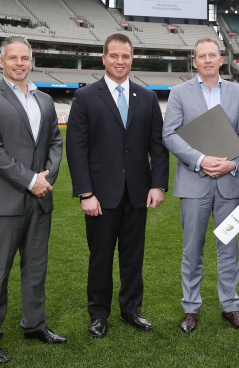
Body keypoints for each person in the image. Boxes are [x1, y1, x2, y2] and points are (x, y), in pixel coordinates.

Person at [66, 33, 169, 338]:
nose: (120, 61)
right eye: (114, 56)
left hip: (138, 192)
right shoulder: (85, 97)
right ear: (104, 58)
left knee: (133, 257)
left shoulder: (147, 97)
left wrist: (158, 185)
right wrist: (86, 192)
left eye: (125, 56)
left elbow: (157, 147)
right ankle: (98, 314)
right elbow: (76, 148)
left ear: (132, 58)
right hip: (99, 194)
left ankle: (131, 309)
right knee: (100, 258)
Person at [0, 35, 65, 364]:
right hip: (4, 199)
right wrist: (30, 180)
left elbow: (55, 141)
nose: (20, 63)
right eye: (13, 58)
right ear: (1, 62)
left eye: (25, 57)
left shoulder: (45, 100)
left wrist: (46, 178)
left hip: (41, 199)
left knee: (36, 268)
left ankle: (34, 324)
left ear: (31, 61)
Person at [162, 38, 239, 333]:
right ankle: (190, 309)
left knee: (229, 248)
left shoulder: (237, 92)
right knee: (192, 250)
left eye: (213, 55)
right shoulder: (178, 93)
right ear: (195, 61)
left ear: (221, 59)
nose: (208, 60)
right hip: (194, 182)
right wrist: (201, 160)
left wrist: (233, 163)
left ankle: (230, 307)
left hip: (229, 183)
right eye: (202, 56)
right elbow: (170, 135)